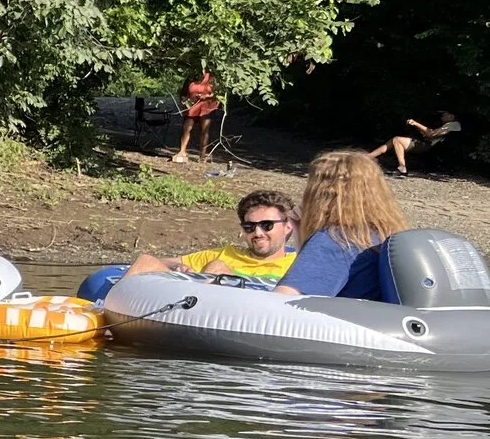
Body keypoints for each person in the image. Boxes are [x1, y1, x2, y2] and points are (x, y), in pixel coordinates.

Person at [274, 150, 409, 299]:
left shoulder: (335, 239)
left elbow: (283, 303)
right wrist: (300, 229)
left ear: (319, 194)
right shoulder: (380, 235)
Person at [123, 189, 298, 282]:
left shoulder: (301, 264)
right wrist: (178, 269)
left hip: (249, 319)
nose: (257, 233)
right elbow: (168, 261)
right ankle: (105, 318)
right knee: (145, 260)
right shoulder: (225, 254)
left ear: (288, 226)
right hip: (198, 314)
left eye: (267, 225)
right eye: (249, 226)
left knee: (217, 267)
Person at [368, 110, 460, 178]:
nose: (442, 117)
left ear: (451, 116)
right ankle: (368, 156)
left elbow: (432, 134)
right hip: (428, 144)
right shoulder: (450, 125)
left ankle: (402, 167)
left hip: (427, 145)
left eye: (444, 115)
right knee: (393, 141)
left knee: (397, 140)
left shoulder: (453, 124)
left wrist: (416, 124)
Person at [173, 67, 219, 164]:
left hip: (207, 107)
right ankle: (182, 151)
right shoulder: (191, 78)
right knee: (187, 128)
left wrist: (206, 96)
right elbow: (183, 92)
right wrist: (184, 101)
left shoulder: (212, 78)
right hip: (192, 107)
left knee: (204, 130)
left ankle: (202, 155)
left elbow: (217, 93)